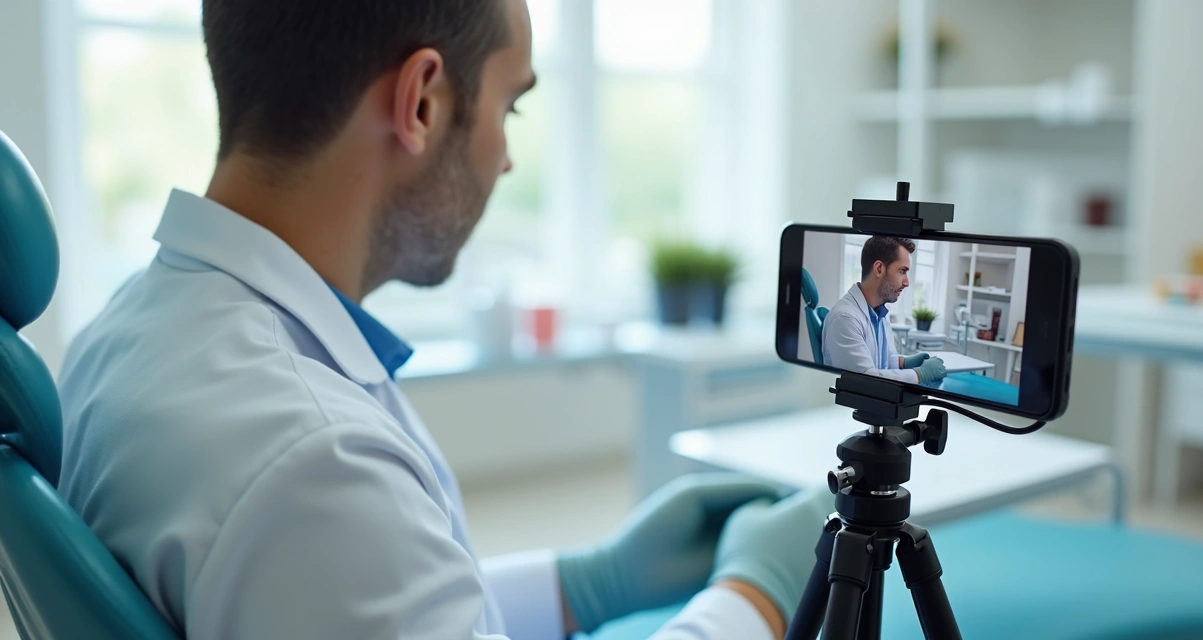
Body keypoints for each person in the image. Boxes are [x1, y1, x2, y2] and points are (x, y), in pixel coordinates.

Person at [55, 1, 831, 639]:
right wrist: (753, 599)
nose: (505, 158)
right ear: (421, 102)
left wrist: (587, 584)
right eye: (509, 105)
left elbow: (350, 611)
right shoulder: (316, 466)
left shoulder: (123, 333)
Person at [822, 236, 947, 384]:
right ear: (879, 269)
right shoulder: (845, 318)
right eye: (902, 271)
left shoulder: (879, 312)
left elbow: (884, 360)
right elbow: (866, 380)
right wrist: (920, 374)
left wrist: (904, 362)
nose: (907, 282)